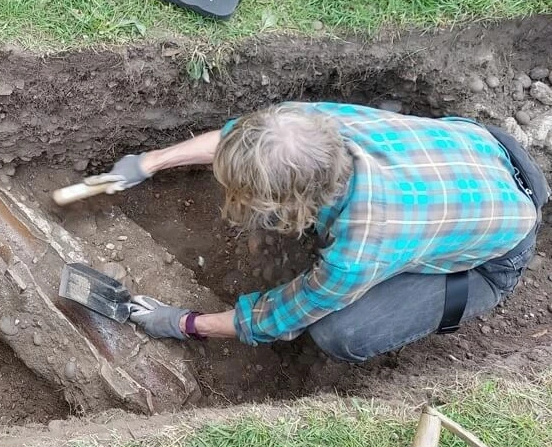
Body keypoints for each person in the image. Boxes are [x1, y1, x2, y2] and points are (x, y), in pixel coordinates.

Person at [86, 102, 548, 362]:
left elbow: (277, 319)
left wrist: (186, 323)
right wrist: (147, 163)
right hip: (484, 155)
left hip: (493, 254)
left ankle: (453, 287)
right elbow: (238, 138)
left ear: (297, 204)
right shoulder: (308, 128)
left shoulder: (360, 247)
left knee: (340, 331)